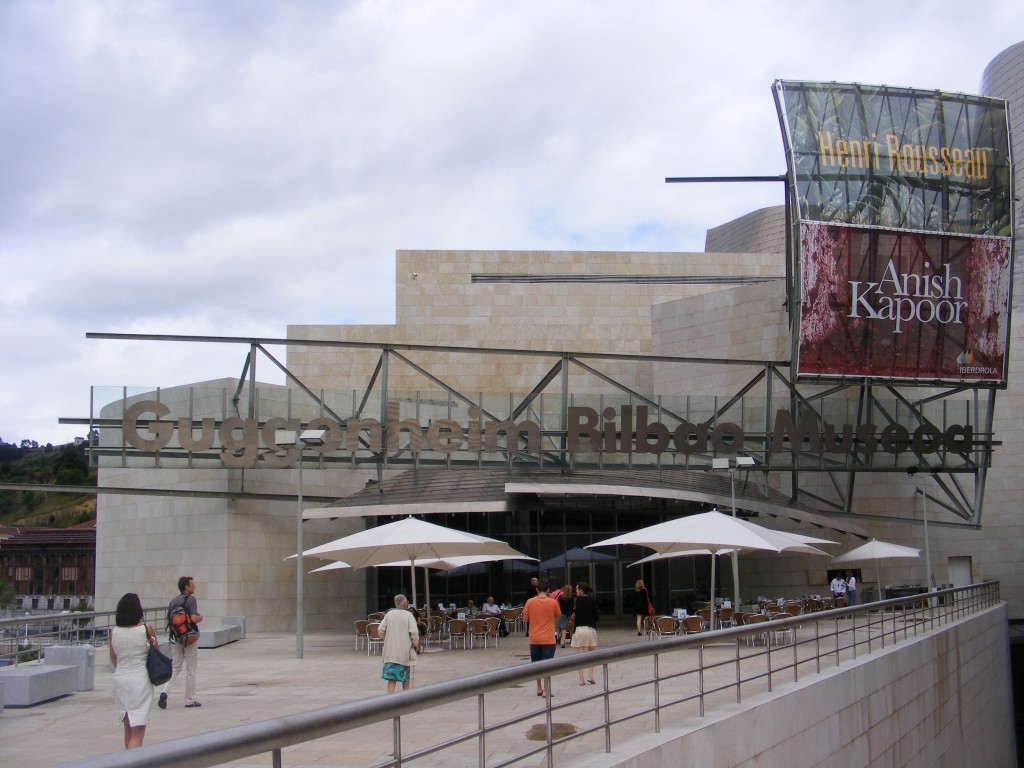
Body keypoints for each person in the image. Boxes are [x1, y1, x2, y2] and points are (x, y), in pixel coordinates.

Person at [109, 593, 158, 749]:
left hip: (121, 679)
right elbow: (157, 652)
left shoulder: (114, 632)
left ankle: (127, 760)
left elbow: (114, 659)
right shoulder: (146, 629)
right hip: (140, 679)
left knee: (128, 725)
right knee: (138, 729)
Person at [159, 575, 203, 709]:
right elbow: (194, 619)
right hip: (189, 639)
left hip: (177, 638)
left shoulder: (173, 602)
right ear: (186, 587)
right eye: (192, 584)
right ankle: (189, 700)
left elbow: (169, 620)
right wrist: (201, 617)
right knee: (191, 669)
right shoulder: (191, 600)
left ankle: (164, 692)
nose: (194, 586)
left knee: (176, 668)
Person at [522, 579, 561, 698]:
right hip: (548, 638)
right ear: (548, 590)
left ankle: (538, 687)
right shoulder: (553, 602)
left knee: (536, 663)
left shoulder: (530, 602)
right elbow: (558, 616)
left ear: (537, 590)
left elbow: (525, 619)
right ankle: (546, 689)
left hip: (534, 637)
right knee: (547, 664)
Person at [378, 594, 421, 693]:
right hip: (404, 652)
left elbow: (380, 629)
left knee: (391, 678)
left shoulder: (389, 614)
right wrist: (415, 644)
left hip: (391, 652)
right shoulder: (408, 615)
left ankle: (389, 698)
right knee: (405, 677)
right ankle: (405, 698)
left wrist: (387, 639)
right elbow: (414, 632)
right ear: (405, 604)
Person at [570, 582, 599, 686]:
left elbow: (573, 613)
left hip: (580, 629)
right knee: (591, 654)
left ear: (581, 590)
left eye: (577, 589)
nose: (575, 591)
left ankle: (581, 679)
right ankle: (591, 676)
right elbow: (597, 617)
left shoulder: (576, 601)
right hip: (591, 629)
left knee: (580, 655)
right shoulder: (593, 601)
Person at [557, 583, 573, 648]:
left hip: (562, 614)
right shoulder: (571, 598)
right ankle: (572, 641)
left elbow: (558, 606)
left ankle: (563, 641)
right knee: (571, 629)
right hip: (569, 614)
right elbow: (571, 607)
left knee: (563, 629)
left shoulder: (560, 597)